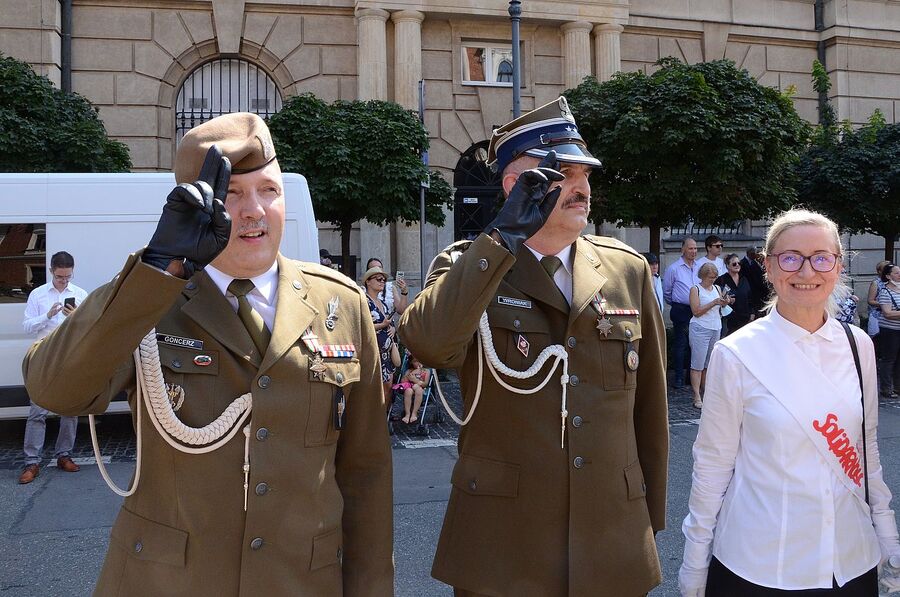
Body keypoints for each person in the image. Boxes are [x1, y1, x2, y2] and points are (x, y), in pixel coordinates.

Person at [22, 113, 393, 595]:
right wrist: (159, 265)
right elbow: (54, 389)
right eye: (232, 194)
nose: (254, 211)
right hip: (168, 583)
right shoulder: (149, 297)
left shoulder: (340, 303)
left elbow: (366, 474)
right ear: (196, 206)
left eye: (269, 190)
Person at [399, 96, 668, 596]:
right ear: (515, 186)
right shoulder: (468, 266)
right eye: (563, 173)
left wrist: (645, 522)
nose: (581, 187)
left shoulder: (625, 269)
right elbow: (429, 344)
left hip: (611, 538)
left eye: (585, 174)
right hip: (504, 545)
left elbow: (650, 409)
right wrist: (502, 237)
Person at [679, 208, 900, 596]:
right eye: (790, 258)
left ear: (838, 266)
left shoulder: (858, 345)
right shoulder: (735, 354)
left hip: (850, 561)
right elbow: (712, 467)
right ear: (768, 266)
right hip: (761, 565)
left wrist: (887, 535)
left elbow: (865, 450)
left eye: (821, 258)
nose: (807, 270)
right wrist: (694, 564)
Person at [17, 250, 88, 484]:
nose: (63, 281)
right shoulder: (38, 294)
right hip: (44, 357)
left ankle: (64, 455)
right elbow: (27, 327)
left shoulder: (80, 294)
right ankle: (31, 462)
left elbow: (89, 329)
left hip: (69, 357)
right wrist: (47, 316)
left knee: (69, 409)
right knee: (38, 410)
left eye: (67, 277)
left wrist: (76, 317)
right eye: (59, 277)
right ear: (51, 271)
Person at [688, 262, 729, 409]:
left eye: (714, 277)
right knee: (698, 364)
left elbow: (721, 306)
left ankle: (707, 394)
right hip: (700, 327)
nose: (713, 280)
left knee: (709, 364)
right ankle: (696, 396)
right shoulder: (695, 289)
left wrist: (724, 302)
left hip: (715, 327)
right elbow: (696, 312)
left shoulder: (717, 288)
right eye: (710, 277)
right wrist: (714, 302)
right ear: (703, 276)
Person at [664, 237, 700, 387]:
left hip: (697, 309)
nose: (694, 251)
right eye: (690, 248)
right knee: (681, 343)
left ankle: (690, 377)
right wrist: (678, 303)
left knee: (695, 344)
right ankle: (678, 377)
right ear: (683, 249)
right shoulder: (674, 269)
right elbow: (667, 292)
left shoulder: (700, 267)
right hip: (681, 309)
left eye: (695, 248)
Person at [363, 266, 398, 404]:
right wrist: (381, 325)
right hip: (374, 354)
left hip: (387, 355)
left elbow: (391, 323)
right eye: (378, 279)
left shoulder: (383, 304)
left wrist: (392, 329)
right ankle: (376, 415)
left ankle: (384, 415)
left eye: (383, 279)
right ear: (368, 281)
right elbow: (362, 327)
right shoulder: (364, 302)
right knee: (375, 391)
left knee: (388, 388)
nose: (382, 281)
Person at [715, 253, 753, 336]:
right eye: (734, 264)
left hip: (745, 318)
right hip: (728, 320)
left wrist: (752, 313)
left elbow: (750, 297)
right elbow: (716, 298)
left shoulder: (744, 279)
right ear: (727, 265)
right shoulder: (721, 280)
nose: (737, 265)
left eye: (739, 263)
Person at [877, 263, 900, 399]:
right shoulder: (885, 292)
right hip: (890, 330)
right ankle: (886, 389)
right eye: (896, 273)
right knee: (889, 359)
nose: (899, 275)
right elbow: (887, 313)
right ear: (888, 276)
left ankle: (898, 387)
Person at [392, 355, 429, 424]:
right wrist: (412, 373)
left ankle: (414, 413)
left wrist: (415, 380)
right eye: (415, 361)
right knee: (408, 391)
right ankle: (407, 414)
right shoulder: (409, 371)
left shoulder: (426, 371)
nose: (418, 363)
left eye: (420, 361)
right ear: (411, 363)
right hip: (410, 388)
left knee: (419, 390)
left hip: (421, 389)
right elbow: (403, 381)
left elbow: (425, 384)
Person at [741, 245, 767, 317]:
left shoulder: (756, 263)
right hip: (749, 290)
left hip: (758, 291)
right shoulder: (742, 263)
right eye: (754, 253)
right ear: (749, 253)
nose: (756, 255)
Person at [867, 260, 890, 338]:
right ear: (879, 271)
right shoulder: (876, 283)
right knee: (876, 338)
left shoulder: (894, 282)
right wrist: (885, 305)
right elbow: (870, 300)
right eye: (885, 269)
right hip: (877, 315)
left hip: (891, 315)